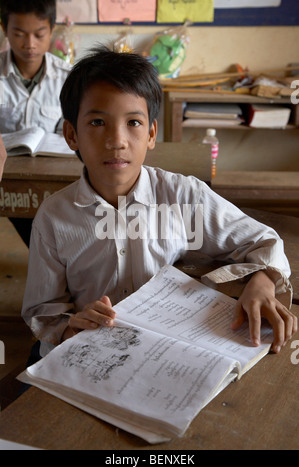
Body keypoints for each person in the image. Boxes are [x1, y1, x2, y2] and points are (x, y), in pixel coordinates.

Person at [21, 46, 297, 362]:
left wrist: (262, 283)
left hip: (160, 353)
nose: (117, 140)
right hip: (86, 354)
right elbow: (43, 311)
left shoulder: (183, 197)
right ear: (71, 135)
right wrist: (71, 327)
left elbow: (264, 240)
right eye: (98, 122)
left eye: (133, 123)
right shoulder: (54, 217)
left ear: (152, 133)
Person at [0, 0, 71, 245]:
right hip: (6, 175)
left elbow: (72, 132)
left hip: (52, 177)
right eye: (19, 34)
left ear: (51, 30)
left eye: (39, 34)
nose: (30, 44)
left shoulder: (67, 78)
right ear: (4, 29)